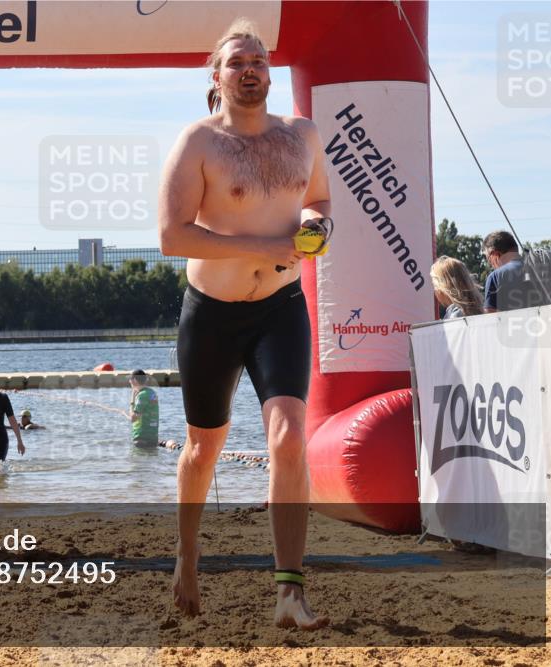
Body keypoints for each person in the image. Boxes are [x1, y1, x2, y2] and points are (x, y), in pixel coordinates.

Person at [158, 20, 331, 629]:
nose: (251, 68)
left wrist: (316, 228)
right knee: (204, 447)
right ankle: (187, 551)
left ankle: (290, 590)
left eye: (259, 60)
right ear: (217, 77)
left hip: (280, 309)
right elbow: (172, 236)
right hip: (209, 316)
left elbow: (320, 201)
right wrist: (263, 246)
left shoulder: (301, 134)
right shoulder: (198, 141)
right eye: (237, 62)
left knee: (288, 436)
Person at [482, 230, 551, 312]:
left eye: (488, 259)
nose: (491, 265)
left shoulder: (495, 277)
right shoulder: (546, 264)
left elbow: (491, 317)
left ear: (494, 255)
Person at [128, 370, 160, 449]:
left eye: (130, 379)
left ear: (135, 380)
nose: (129, 381)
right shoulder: (152, 392)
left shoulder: (142, 395)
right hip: (153, 438)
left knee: (137, 460)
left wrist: (132, 401)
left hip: (141, 438)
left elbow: (133, 418)